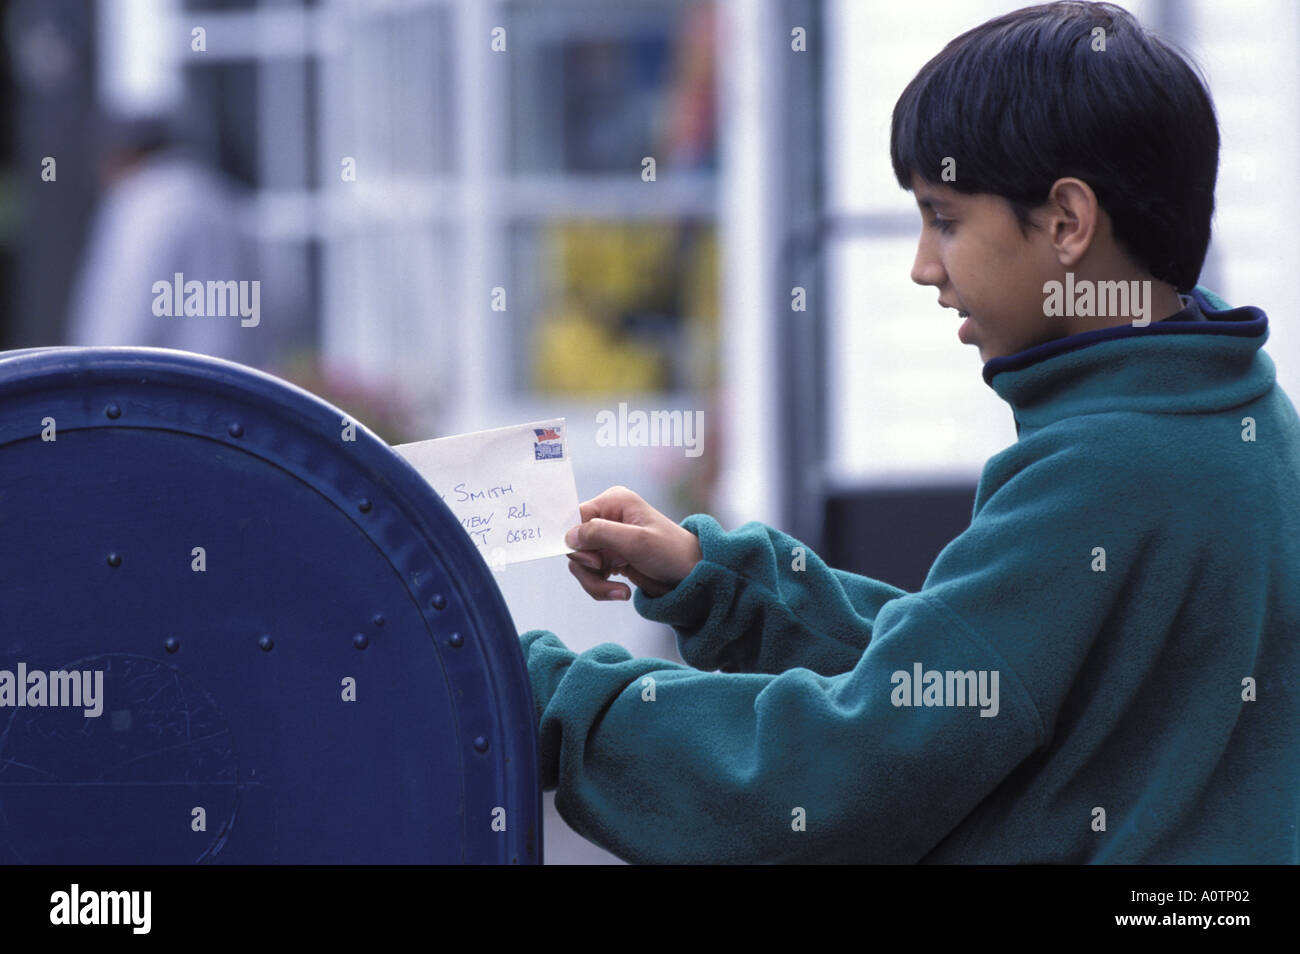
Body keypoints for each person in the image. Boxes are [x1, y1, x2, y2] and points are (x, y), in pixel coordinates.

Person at [518, 1, 1300, 863]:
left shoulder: (1101, 471)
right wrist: (718, 582)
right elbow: (962, 679)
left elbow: (834, 778)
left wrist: (543, 694)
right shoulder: (1236, 418)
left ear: (1068, 224)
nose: (924, 266)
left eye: (947, 218)